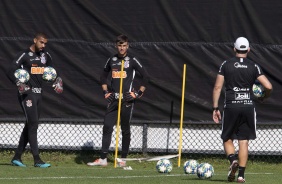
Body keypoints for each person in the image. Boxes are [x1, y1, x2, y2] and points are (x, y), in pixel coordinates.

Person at [212, 37, 272, 183]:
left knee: (227, 138)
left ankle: (233, 160)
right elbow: (268, 86)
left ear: (234, 49)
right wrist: (264, 97)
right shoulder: (253, 66)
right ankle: (241, 175)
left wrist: (215, 107)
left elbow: (218, 87)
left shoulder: (226, 64)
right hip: (248, 106)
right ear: (248, 50)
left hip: (231, 106)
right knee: (244, 141)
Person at [87, 34, 149, 167]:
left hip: (127, 99)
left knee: (125, 128)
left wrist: (137, 93)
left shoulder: (132, 60)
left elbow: (145, 76)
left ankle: (123, 159)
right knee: (107, 126)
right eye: (120, 45)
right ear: (116, 45)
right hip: (113, 99)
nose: (122, 48)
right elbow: (103, 76)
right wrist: (105, 92)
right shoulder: (112, 59)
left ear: (128, 46)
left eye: (124, 45)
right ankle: (103, 159)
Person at [7, 32, 63, 168]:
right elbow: (10, 70)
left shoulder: (45, 56)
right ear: (35, 40)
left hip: (39, 94)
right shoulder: (24, 55)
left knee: (30, 125)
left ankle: (17, 157)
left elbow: (53, 71)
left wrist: (57, 81)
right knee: (33, 124)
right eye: (41, 42)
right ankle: (37, 160)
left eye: (45, 43)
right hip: (27, 94)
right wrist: (18, 83)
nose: (43, 45)